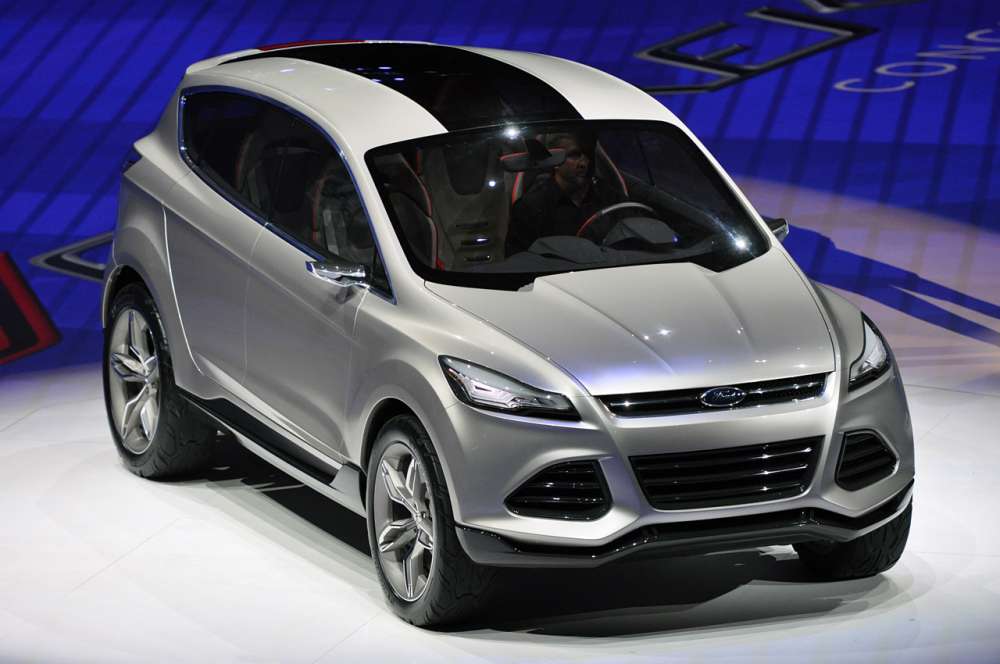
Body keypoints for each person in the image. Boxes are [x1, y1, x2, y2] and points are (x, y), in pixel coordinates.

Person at [504, 133, 626, 256]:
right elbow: (519, 259)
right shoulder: (530, 208)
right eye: (574, 155)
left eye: (588, 155)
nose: (584, 164)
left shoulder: (611, 199)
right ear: (555, 161)